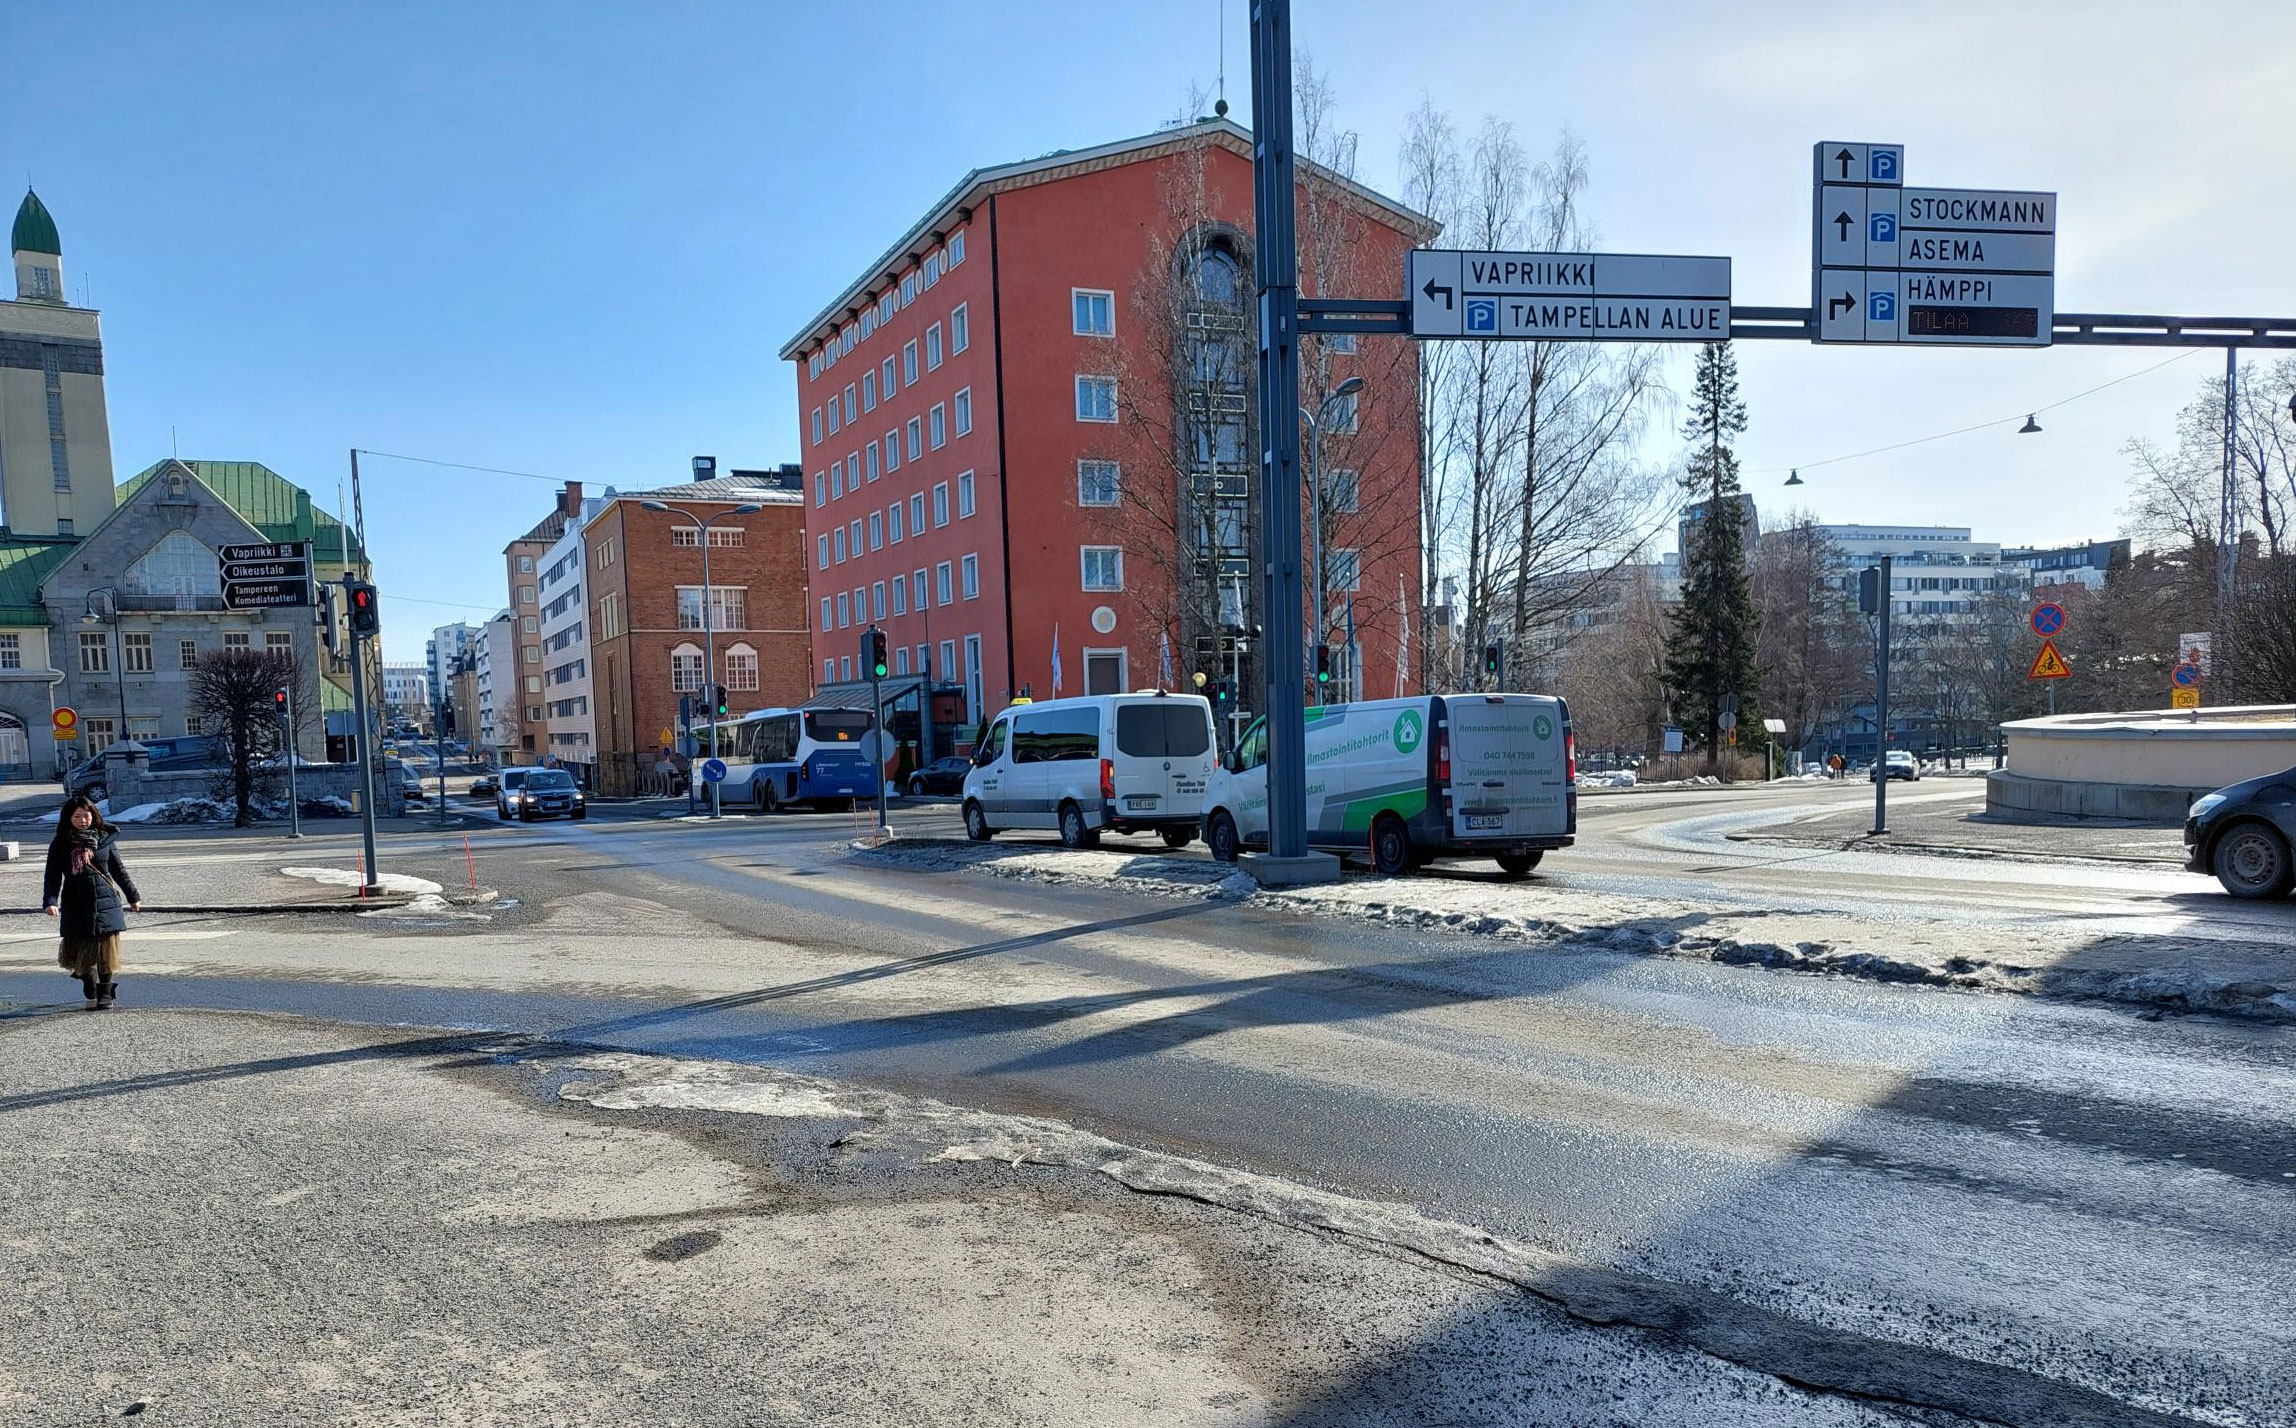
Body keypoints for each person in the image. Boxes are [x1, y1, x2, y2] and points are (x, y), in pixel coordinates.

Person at [42, 794, 141, 1010]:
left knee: (106, 950)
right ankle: (88, 980)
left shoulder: (105, 839)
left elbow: (118, 870)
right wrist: (50, 901)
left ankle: (105, 993)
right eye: (77, 817)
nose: (82, 820)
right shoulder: (60, 843)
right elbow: (52, 875)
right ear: (69, 818)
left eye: (86, 816)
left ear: (94, 816)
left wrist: (133, 896)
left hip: (106, 901)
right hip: (76, 903)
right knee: (79, 953)